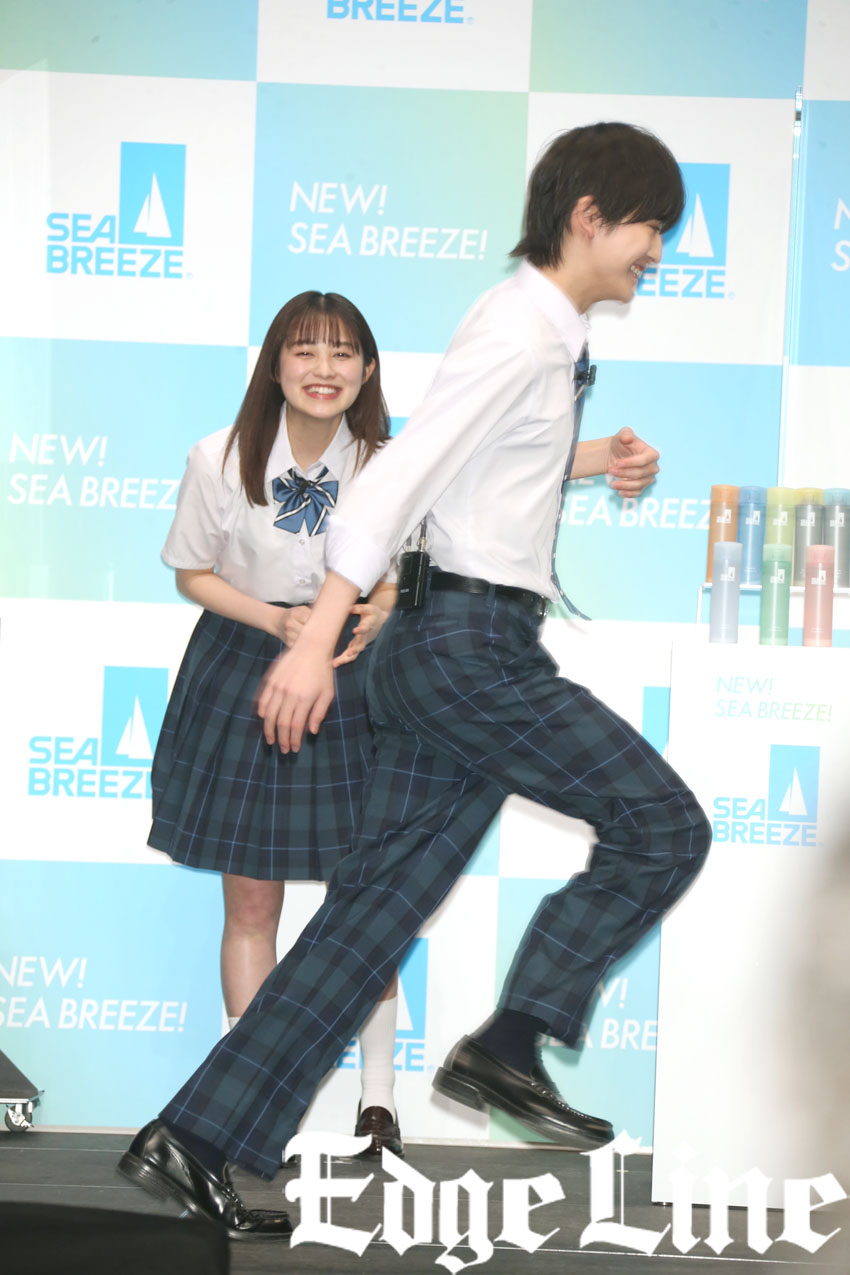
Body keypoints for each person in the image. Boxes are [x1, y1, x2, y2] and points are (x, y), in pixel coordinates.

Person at [120, 122, 712, 1238]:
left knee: (369, 919)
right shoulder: (522, 331)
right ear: (590, 216)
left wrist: (593, 460)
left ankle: (192, 1137)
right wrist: (311, 639)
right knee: (665, 825)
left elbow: (472, 467)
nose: (656, 253)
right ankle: (512, 1040)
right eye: (650, 229)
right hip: (466, 649)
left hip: (446, 644)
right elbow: (392, 486)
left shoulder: (540, 331)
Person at [145, 292, 402, 1184]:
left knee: (367, 903)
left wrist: (382, 608)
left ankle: (380, 1101)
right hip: (244, 666)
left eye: (343, 352)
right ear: (275, 364)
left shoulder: (392, 464)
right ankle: (246, 1103)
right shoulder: (216, 456)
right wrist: (278, 620)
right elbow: (192, 572)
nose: (324, 369)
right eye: (305, 350)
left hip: (356, 674)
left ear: (367, 369)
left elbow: (407, 570)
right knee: (252, 905)